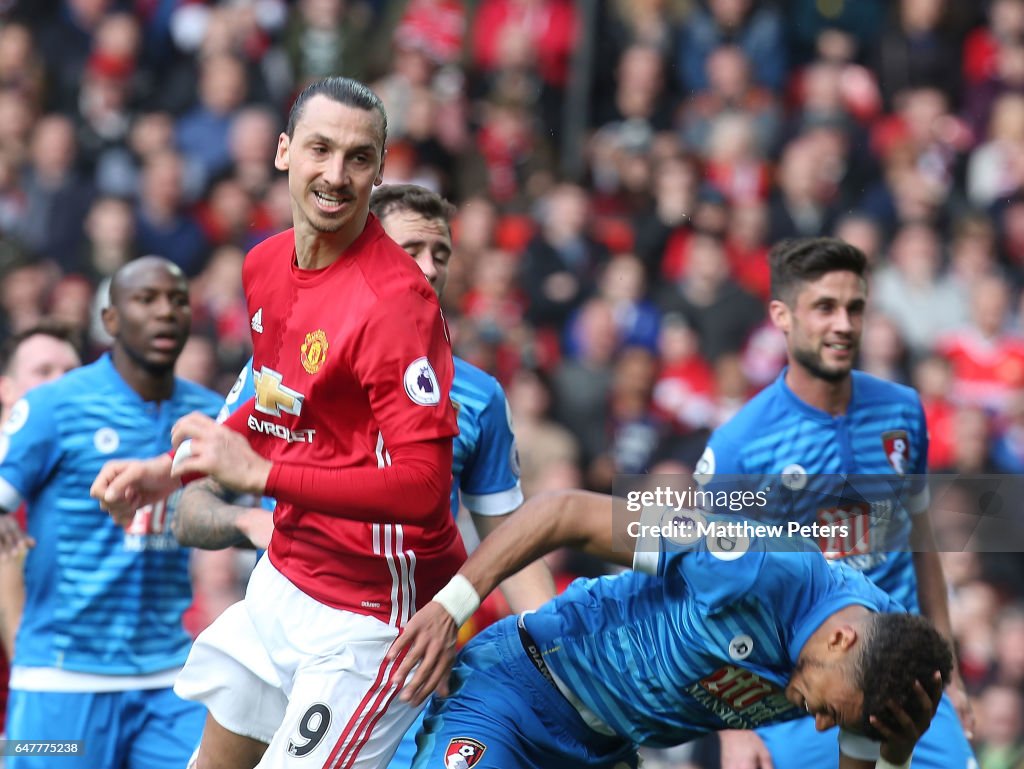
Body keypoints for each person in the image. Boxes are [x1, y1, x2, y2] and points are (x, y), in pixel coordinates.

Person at [91, 77, 464, 769]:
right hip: (285, 576)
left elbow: (423, 488)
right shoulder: (265, 263)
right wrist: (169, 473)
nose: (337, 173)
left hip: (367, 616)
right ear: (284, 151)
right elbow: (278, 401)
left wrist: (262, 475)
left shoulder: (395, 303)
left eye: (359, 158)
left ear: (378, 171)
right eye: (320, 148)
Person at [170, 182, 555, 768]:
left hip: (383, 639)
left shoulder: (478, 397)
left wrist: (547, 656)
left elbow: (513, 543)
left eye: (441, 253)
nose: (428, 267)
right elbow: (191, 507)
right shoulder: (293, 359)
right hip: (281, 608)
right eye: (410, 249)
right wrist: (249, 520)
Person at [387, 490, 949, 769]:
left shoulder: (881, 656)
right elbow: (563, 513)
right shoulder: (753, 564)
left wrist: (893, 752)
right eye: (830, 709)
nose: (819, 722)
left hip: (605, 750)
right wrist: (451, 606)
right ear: (838, 638)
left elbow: (859, 739)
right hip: (521, 690)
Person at [694, 237, 976, 769]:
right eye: (824, 307)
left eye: (855, 307)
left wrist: (950, 674)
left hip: (908, 683)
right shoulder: (740, 446)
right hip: (803, 695)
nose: (843, 324)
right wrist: (729, 728)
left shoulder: (902, 410)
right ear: (782, 315)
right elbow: (707, 594)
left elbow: (921, 541)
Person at [0, 257, 222, 769]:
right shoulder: (54, 406)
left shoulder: (214, 415)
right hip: (61, 679)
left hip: (168, 678)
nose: (165, 312)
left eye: (178, 300)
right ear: (111, 320)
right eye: (146, 300)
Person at [0, 321, 81, 736]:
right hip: (34, 713)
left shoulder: (96, 474)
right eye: (44, 372)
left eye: (70, 373)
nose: (59, 386)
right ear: (6, 389)